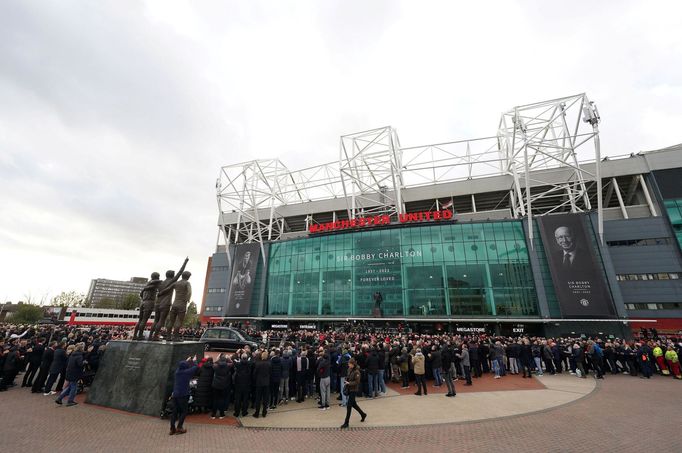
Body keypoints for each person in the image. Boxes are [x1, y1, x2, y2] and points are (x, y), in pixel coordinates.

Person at [150, 259, 188, 341]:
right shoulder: (172, 281)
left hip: (157, 303)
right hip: (165, 304)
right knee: (161, 320)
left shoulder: (161, 283)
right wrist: (185, 262)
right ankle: (156, 336)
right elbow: (180, 272)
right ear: (172, 275)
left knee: (155, 320)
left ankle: (151, 336)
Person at [169, 356, 198, 435]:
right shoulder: (187, 373)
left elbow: (182, 366)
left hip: (175, 394)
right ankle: (179, 427)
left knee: (174, 412)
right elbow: (195, 367)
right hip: (183, 395)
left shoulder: (177, 372)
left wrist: (187, 360)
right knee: (184, 411)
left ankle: (172, 428)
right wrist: (194, 361)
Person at [54, 342, 85, 407]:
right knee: (73, 387)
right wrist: (84, 363)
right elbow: (80, 364)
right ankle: (70, 401)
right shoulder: (79, 356)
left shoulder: (72, 354)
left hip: (69, 372)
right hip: (75, 373)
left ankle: (59, 398)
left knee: (70, 387)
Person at [340, 358, 366, 429]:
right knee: (354, 404)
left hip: (353, 390)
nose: (348, 365)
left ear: (353, 364)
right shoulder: (349, 369)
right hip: (349, 389)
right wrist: (346, 380)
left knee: (349, 406)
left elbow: (357, 382)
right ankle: (363, 414)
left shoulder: (357, 372)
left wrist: (349, 383)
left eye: (349, 364)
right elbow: (348, 377)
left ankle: (346, 422)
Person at [166, 271, 192, 341]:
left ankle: (168, 337)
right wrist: (187, 299)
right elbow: (189, 292)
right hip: (182, 304)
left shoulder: (176, 283)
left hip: (174, 304)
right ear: (188, 277)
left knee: (171, 321)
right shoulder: (187, 283)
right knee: (179, 321)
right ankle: (175, 337)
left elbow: (167, 289)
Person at [211, 354, 232, 419]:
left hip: (216, 384)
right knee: (222, 399)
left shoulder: (216, 366)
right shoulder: (227, 366)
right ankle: (221, 414)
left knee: (215, 399)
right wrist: (228, 358)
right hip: (224, 384)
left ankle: (213, 414)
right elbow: (232, 363)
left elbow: (213, 363)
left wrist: (217, 359)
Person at [233, 353, 252, 417]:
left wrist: (237, 354)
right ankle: (244, 412)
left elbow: (233, 359)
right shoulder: (249, 363)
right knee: (245, 399)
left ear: (241, 358)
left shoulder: (238, 364)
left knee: (237, 399)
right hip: (247, 384)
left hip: (238, 383)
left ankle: (237, 412)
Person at [253, 351, 271, 418]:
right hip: (266, 383)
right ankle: (264, 412)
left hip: (259, 383)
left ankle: (257, 413)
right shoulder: (269, 364)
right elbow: (270, 373)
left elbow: (255, 374)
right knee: (265, 399)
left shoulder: (258, 364)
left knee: (258, 398)